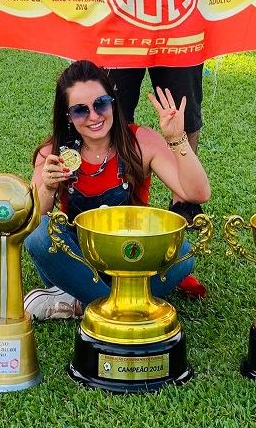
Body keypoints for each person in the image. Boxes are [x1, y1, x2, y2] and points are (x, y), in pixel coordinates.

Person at [23, 60, 210, 320]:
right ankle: (122, 307)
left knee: (183, 255)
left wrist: (177, 139)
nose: (94, 116)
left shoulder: (141, 142)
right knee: (39, 238)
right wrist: (47, 187)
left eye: (100, 104)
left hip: (132, 255)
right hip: (77, 257)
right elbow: (31, 223)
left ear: (113, 101)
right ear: (67, 116)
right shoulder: (53, 153)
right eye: (80, 110)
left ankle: (79, 301)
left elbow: (198, 193)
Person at [107, 64, 206, 224]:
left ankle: (184, 201)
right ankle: (112, 192)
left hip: (177, 40)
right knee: (109, 110)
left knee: (182, 112)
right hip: (118, 39)